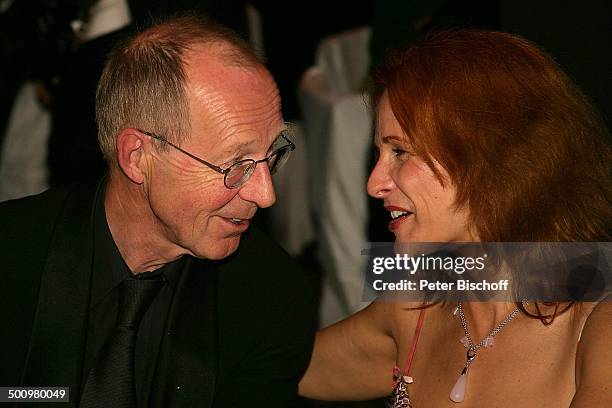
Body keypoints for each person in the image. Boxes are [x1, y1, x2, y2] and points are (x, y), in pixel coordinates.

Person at [0, 15, 316, 407]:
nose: (266, 194)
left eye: (271, 154)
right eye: (236, 166)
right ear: (138, 157)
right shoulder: (12, 257)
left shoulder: (271, 300)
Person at [299, 30, 612, 407]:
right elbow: (266, 364)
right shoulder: (415, 304)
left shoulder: (597, 323)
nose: (374, 184)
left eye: (400, 151)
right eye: (379, 153)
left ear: (491, 159)